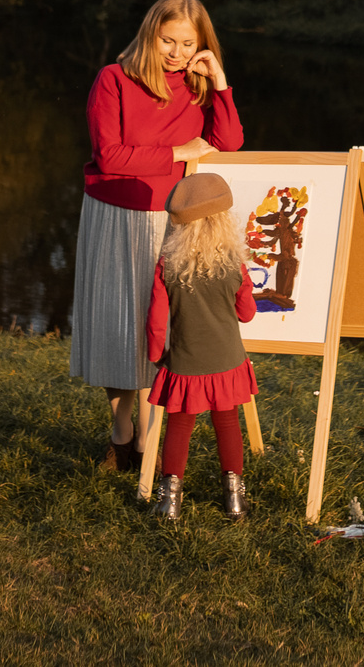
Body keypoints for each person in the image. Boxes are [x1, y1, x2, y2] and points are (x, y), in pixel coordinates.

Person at [70, 0, 242, 472]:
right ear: (151, 33)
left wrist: (220, 81)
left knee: (156, 325)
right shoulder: (114, 79)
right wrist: (181, 152)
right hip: (114, 212)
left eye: (189, 44)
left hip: (171, 218)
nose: (177, 52)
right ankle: (121, 429)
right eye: (169, 40)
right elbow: (111, 157)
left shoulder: (198, 83)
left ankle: (146, 440)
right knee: (116, 325)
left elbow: (227, 142)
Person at [143, 172, 258, 521]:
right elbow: (247, 313)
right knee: (227, 424)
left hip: (184, 364)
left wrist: (155, 356)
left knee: (179, 426)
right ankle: (234, 500)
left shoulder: (168, 267)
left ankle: (169, 502)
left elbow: (156, 322)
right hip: (227, 363)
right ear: (223, 221)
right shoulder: (234, 265)